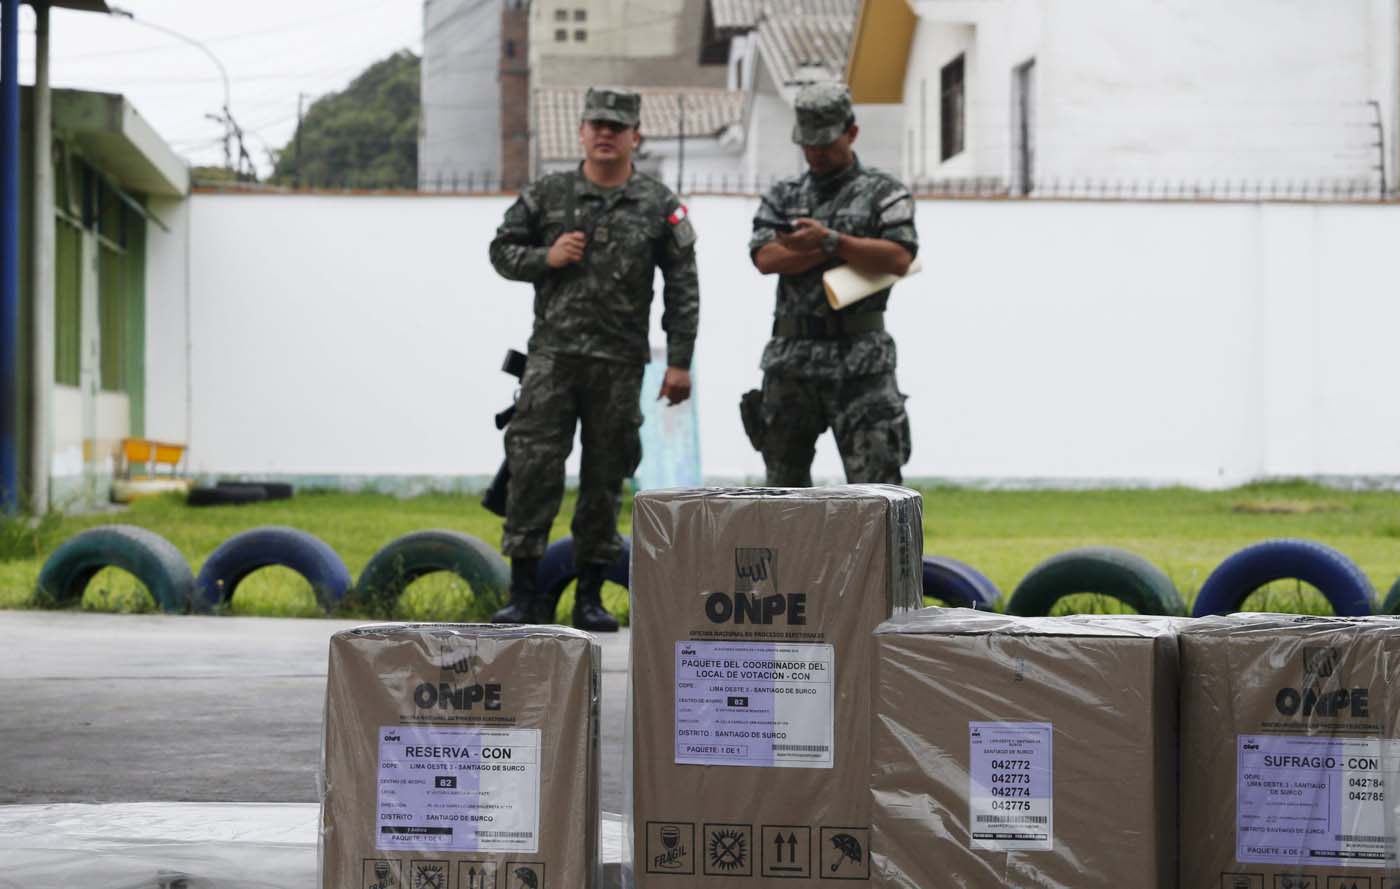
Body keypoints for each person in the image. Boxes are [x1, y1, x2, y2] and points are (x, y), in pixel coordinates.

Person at [488, 87, 698, 631]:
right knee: (533, 471)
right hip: (552, 361)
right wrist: (545, 257)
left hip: (620, 364)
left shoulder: (658, 204)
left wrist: (679, 362)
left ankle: (589, 597)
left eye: (616, 126)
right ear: (581, 132)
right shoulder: (548, 193)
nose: (605, 134)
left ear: (635, 136)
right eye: (596, 125)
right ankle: (524, 595)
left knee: (605, 480)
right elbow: (501, 250)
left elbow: (683, 286)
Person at [745, 82, 919, 487]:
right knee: (782, 492)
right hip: (791, 361)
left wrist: (830, 240)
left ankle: (878, 556)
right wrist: (837, 250)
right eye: (808, 144)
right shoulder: (783, 195)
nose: (817, 153)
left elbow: (899, 257)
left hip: (861, 362)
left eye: (826, 142)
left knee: (877, 492)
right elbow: (765, 258)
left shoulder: (884, 193)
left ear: (852, 132)